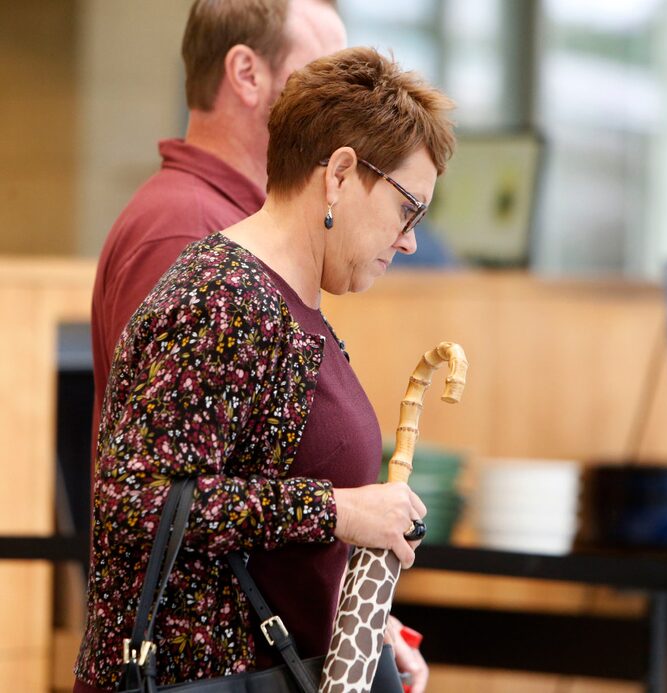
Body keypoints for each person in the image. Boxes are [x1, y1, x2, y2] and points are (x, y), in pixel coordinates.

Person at [73, 46, 455, 692]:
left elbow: (272, 538)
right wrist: (336, 509)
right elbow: (136, 499)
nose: (411, 239)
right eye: (406, 209)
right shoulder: (220, 296)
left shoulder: (288, 302)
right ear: (338, 174)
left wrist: (363, 626)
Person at [90, 0, 346, 467]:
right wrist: (339, 512)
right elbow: (162, 494)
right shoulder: (184, 232)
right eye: (323, 81)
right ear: (248, 74)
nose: (343, 114)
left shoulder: (242, 224)